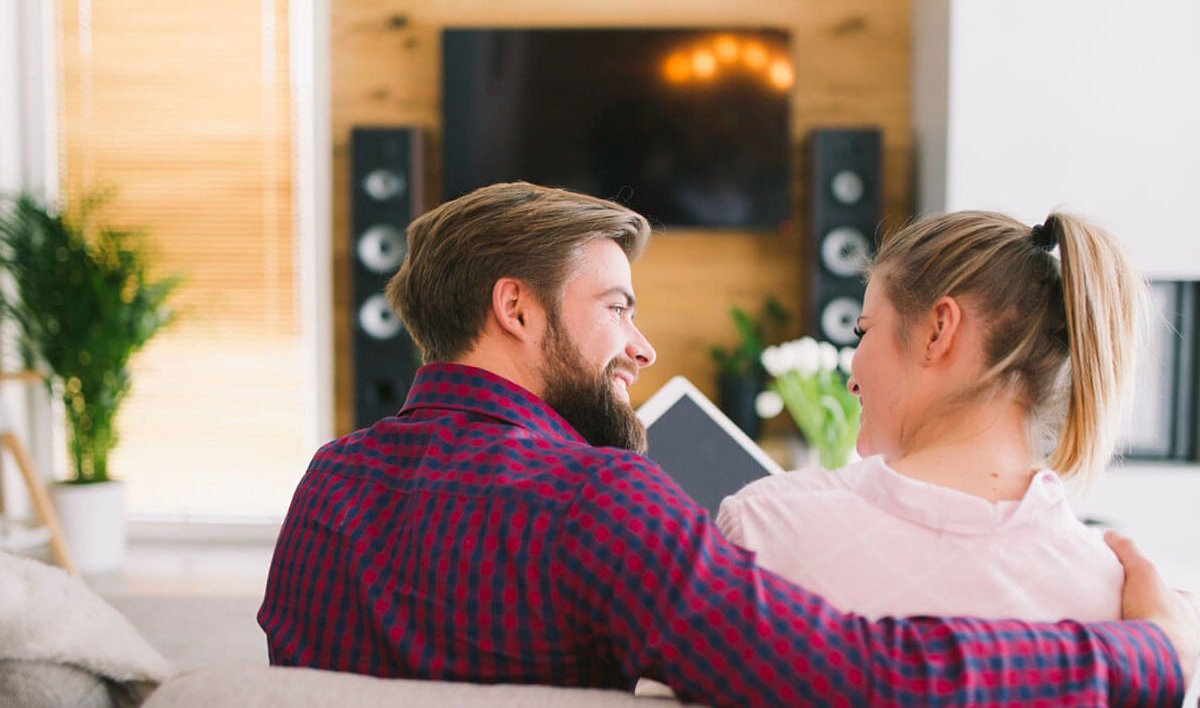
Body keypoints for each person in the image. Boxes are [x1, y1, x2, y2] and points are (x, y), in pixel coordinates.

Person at [259, 184, 1195, 706]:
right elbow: (867, 676)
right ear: (517, 308)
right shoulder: (603, 502)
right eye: (617, 308)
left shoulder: (326, 484)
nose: (642, 347)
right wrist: (1147, 654)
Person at [715, 211, 1160, 622]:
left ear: (938, 331)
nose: (852, 381)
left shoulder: (764, 526)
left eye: (863, 330)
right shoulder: (1114, 595)